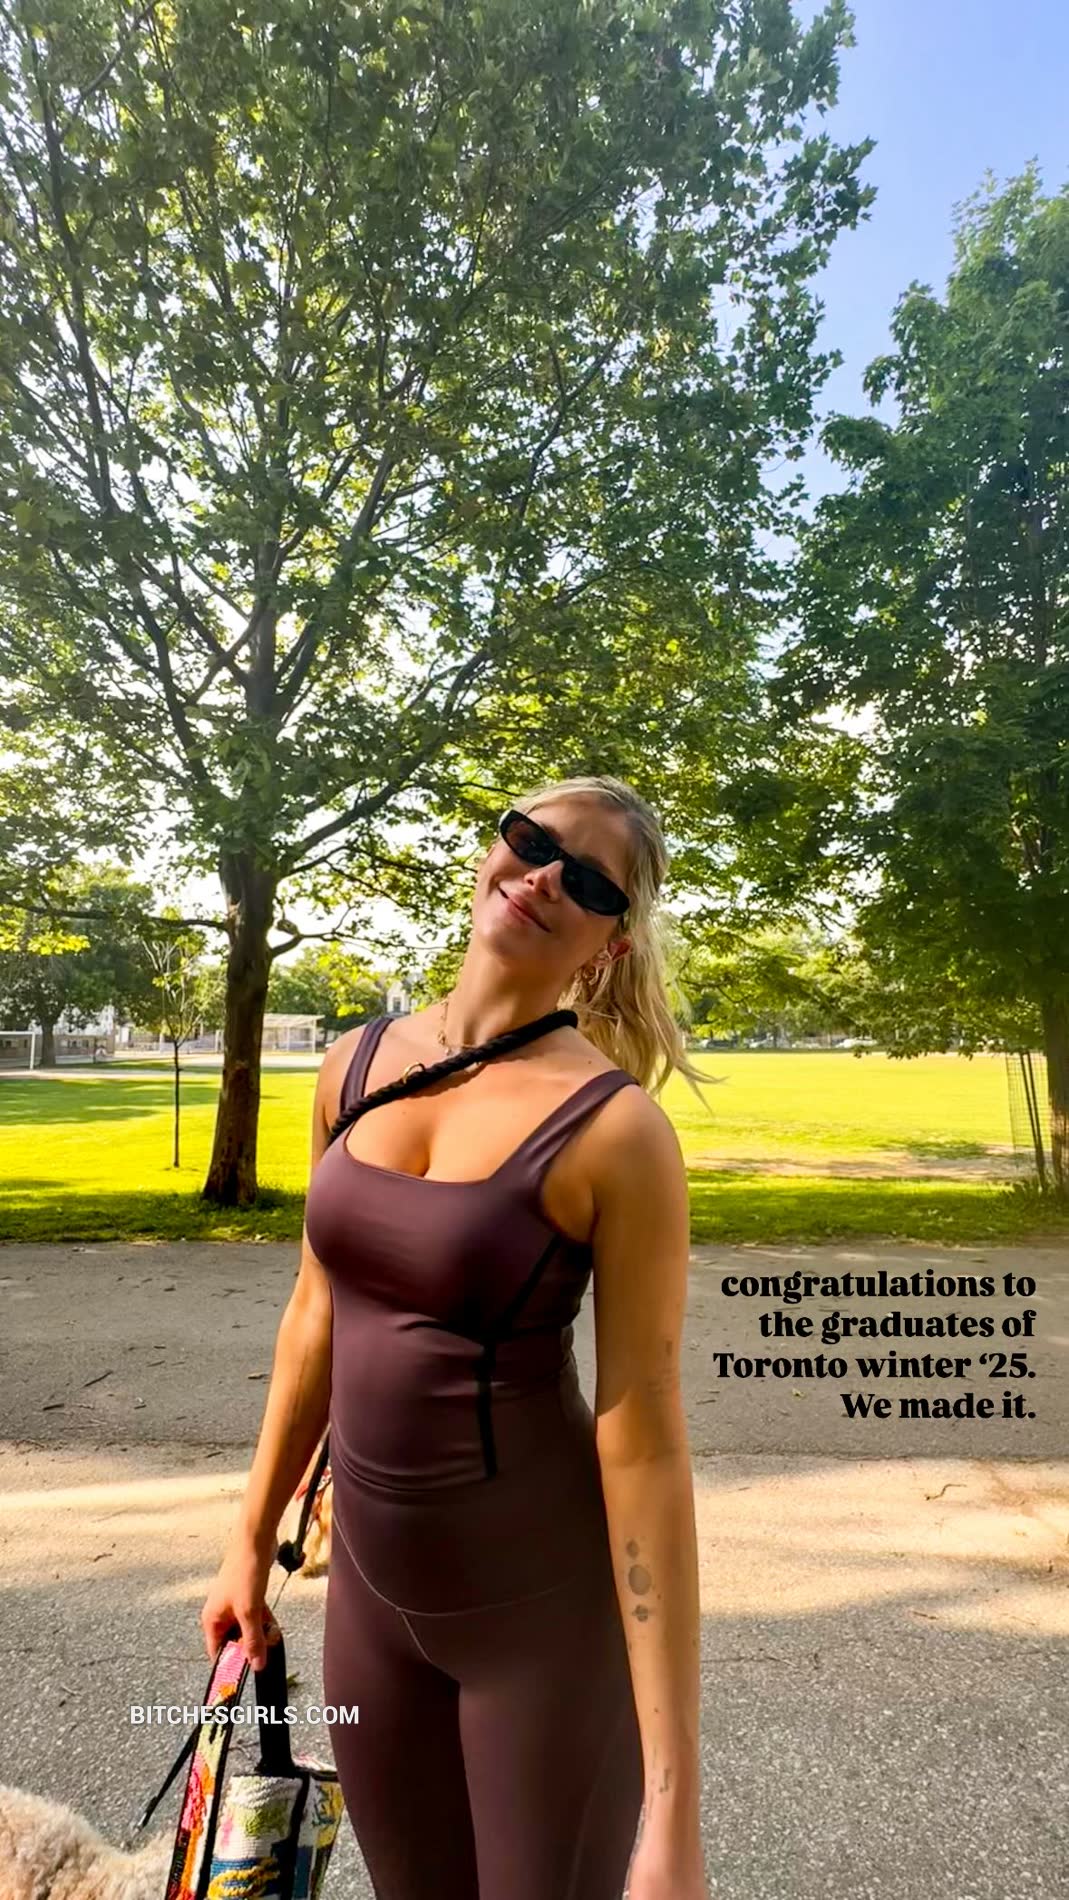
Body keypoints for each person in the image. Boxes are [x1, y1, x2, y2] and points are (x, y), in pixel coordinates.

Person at [201, 774, 710, 1900]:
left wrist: (674, 1808)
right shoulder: (354, 1064)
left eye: (589, 882)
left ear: (611, 944)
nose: (544, 877)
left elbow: (642, 1435)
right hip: (367, 1606)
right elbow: (315, 1313)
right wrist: (249, 1539)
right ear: (493, 846)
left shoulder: (616, 1132)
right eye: (531, 839)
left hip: (541, 1622)